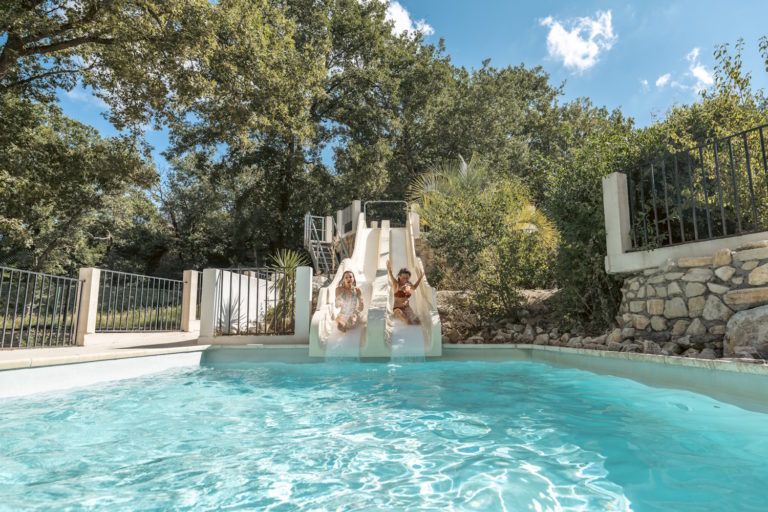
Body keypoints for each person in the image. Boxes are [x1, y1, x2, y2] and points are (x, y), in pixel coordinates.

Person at [386, 260, 423, 325]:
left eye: (407, 278)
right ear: (399, 277)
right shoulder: (396, 284)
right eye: (403, 278)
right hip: (398, 309)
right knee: (407, 320)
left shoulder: (408, 284)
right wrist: (389, 270)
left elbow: (414, 287)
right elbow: (392, 277)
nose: (405, 279)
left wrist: (420, 278)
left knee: (418, 322)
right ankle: (405, 323)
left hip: (407, 308)